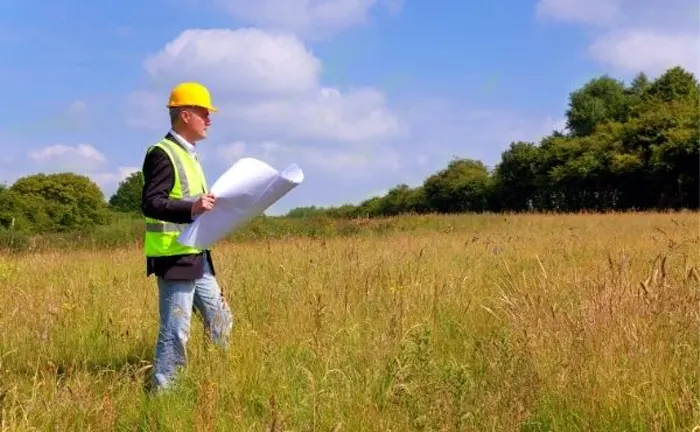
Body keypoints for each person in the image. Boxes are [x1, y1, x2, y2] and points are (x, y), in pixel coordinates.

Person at [140, 81, 233, 392]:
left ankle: (216, 382)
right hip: (174, 255)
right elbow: (151, 202)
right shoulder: (162, 153)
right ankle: (163, 397)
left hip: (198, 255)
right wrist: (191, 207)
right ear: (184, 115)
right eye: (204, 112)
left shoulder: (190, 155)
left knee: (221, 320)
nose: (209, 119)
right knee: (175, 330)